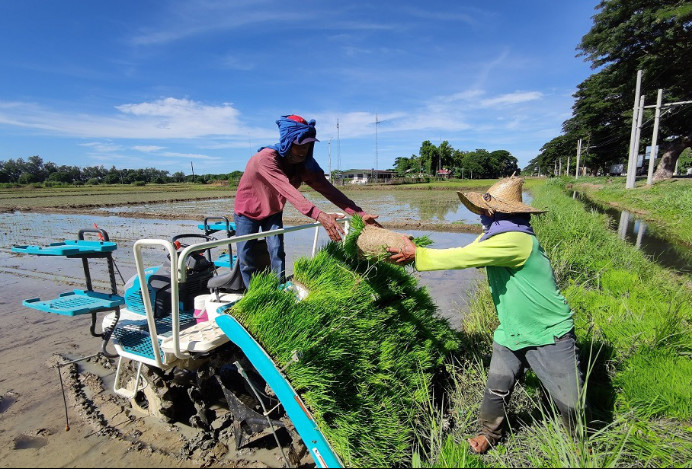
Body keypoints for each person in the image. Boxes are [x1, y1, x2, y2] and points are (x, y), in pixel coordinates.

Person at [387, 175, 585, 455]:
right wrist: (410, 245)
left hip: (548, 331)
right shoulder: (495, 236)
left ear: (496, 212)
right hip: (512, 329)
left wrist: (417, 255)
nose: (481, 215)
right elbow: (469, 252)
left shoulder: (515, 240)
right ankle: (490, 433)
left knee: (571, 402)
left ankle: (582, 444)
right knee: (497, 388)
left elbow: (463, 258)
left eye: (484, 210)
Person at [234, 114, 380, 288]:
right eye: (299, 144)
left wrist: (359, 214)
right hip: (247, 211)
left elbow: (329, 190)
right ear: (288, 141)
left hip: (273, 211)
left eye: (308, 144)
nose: (304, 150)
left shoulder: (304, 164)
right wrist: (321, 216)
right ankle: (252, 293)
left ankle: (279, 289)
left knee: (276, 251)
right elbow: (289, 191)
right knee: (246, 257)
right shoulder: (265, 159)